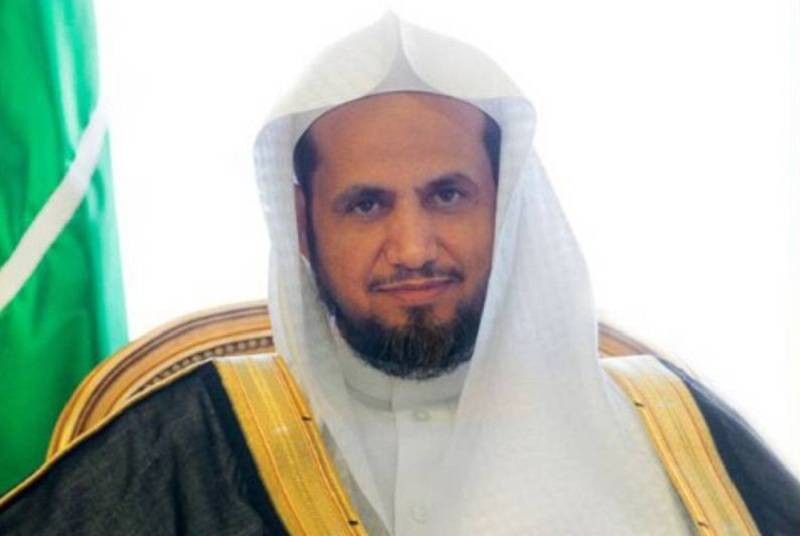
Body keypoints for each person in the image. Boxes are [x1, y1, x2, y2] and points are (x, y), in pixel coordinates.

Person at [1, 13, 798, 536]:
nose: (413, 247)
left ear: (505, 208)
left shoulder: (669, 426)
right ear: (303, 225)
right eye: (366, 204)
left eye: (448, 195)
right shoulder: (187, 441)